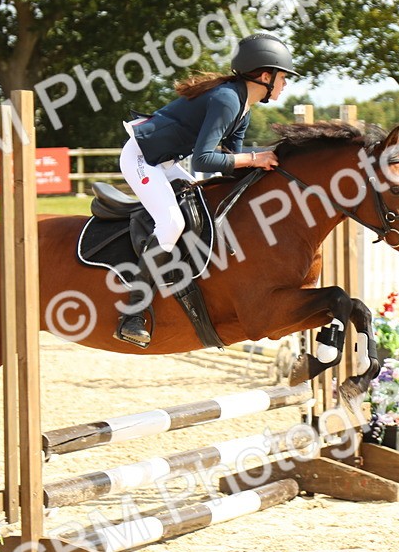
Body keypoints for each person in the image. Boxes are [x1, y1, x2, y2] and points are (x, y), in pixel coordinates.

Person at [113, 32, 296, 347]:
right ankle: (132, 313)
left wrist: (264, 168)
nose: (285, 84)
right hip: (142, 159)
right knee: (172, 221)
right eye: (283, 78)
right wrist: (254, 157)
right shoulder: (227, 99)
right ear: (265, 76)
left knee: (200, 207)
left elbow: (232, 163)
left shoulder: (242, 107)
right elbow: (205, 159)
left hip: (165, 162)